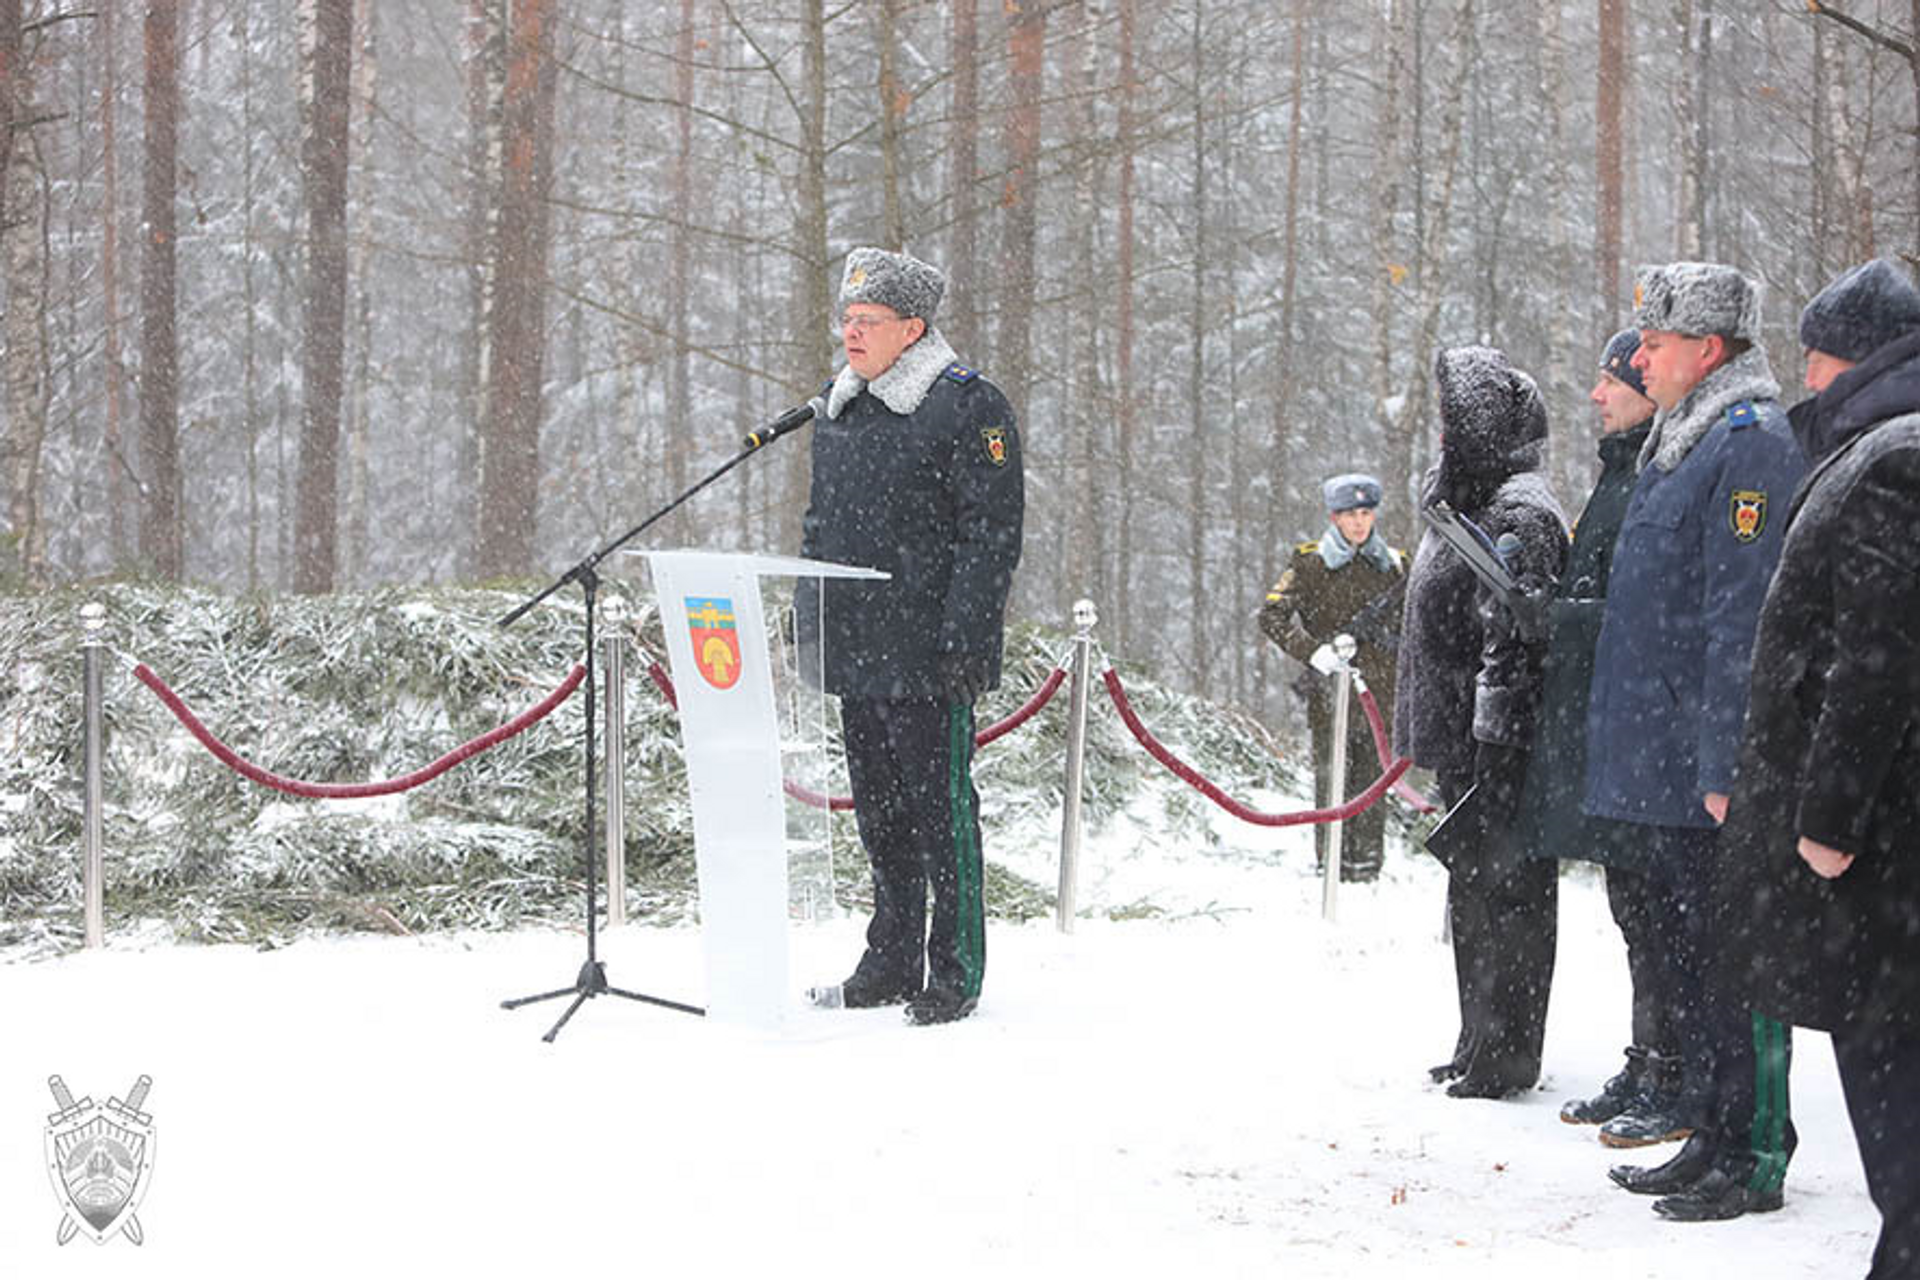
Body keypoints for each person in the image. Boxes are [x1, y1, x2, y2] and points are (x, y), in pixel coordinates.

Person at [1588, 262, 1809, 1221]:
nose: (1639, 356)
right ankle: (1712, 1132)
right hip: (1664, 758)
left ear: (1708, 351)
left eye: (1657, 342)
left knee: (1737, 962)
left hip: (1709, 763)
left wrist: (1728, 762)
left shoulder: (1748, 444)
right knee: (1693, 959)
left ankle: (1755, 1148)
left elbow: (1742, 618)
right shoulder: (1681, 439)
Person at [1717, 258, 1920, 1277]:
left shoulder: (1892, 459)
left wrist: (1828, 820)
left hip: (1883, 849)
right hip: (1885, 843)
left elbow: (1876, 658)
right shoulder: (1873, 445)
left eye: (1819, 349)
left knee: (1894, 1077)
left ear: (1864, 353)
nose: (1805, 368)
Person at [798, 247, 1024, 1026]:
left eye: (868, 322)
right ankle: (889, 955)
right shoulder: (841, 405)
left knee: (940, 813)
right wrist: (811, 614)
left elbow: (989, 533)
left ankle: (953, 969)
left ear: (914, 328)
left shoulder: (967, 405)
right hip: (857, 644)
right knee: (880, 813)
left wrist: (968, 634)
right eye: (847, 320)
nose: (851, 335)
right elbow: (820, 523)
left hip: (928, 649)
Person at [1505, 332, 1674, 1139]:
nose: (1597, 396)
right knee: (1632, 906)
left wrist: (1558, 618)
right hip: (1610, 723)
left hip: (1641, 727)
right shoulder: (1621, 470)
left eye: (1610, 382)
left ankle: (1670, 1069)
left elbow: (1651, 613)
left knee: (1656, 911)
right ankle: (1649, 1060)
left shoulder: (1651, 473)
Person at [1394, 345, 1568, 1098]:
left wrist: (1497, 740)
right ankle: (1478, 1037)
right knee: (1474, 892)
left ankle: (1508, 1051)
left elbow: (1521, 638)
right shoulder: (1468, 504)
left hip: (1498, 742)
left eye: (1450, 418)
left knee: (1510, 895)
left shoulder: (1519, 510)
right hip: (1467, 739)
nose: (1440, 432)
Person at [1258, 473, 1406, 881]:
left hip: (1381, 691)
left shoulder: (1395, 567)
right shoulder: (1311, 563)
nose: (1359, 523)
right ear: (1333, 517)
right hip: (1330, 690)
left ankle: (1368, 866)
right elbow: (1271, 616)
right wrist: (1313, 652)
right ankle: (1332, 864)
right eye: (1349, 515)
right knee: (1333, 779)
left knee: (1373, 782)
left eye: (1365, 513)